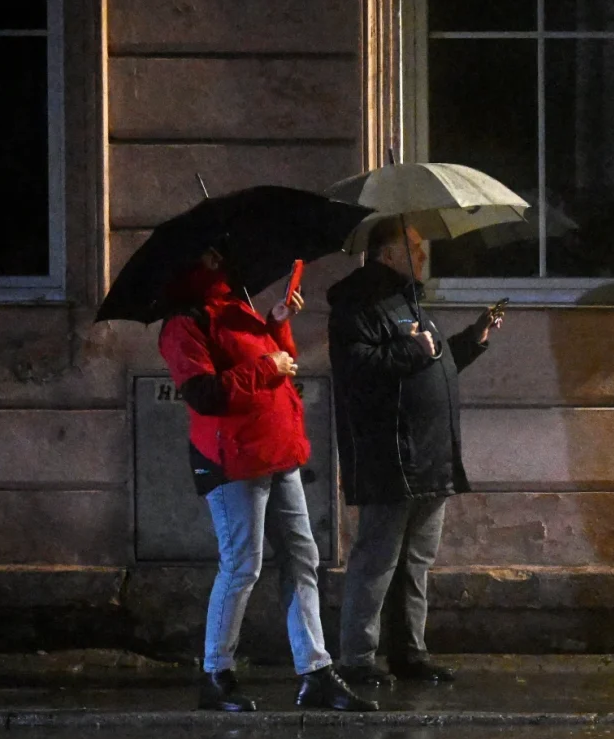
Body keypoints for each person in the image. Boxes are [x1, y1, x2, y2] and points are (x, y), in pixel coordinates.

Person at [159, 247, 376, 713]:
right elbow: (205, 393)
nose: (222, 256)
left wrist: (276, 323)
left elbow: (283, 360)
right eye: (214, 252)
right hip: (233, 459)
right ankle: (215, 674)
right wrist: (267, 366)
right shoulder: (185, 323)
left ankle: (315, 672)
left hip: (277, 451)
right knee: (242, 565)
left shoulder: (236, 306)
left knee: (302, 557)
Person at [326, 219, 505, 686]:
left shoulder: (409, 301)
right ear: (388, 254)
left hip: (430, 456)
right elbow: (357, 370)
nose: (424, 257)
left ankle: (409, 652)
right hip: (392, 454)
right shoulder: (357, 305)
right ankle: (357, 659)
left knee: (416, 561)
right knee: (377, 559)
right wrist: (410, 350)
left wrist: (473, 339)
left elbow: (435, 364)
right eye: (415, 249)